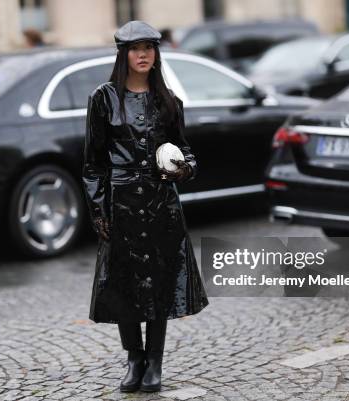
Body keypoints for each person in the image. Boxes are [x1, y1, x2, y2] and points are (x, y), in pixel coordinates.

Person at [81, 20, 209, 393]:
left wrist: (186, 169)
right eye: (135, 49)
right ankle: (133, 359)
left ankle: (154, 362)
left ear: (156, 54)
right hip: (120, 204)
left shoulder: (168, 101)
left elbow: (185, 152)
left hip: (161, 206)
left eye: (149, 48)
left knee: (159, 285)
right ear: (123, 54)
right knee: (124, 286)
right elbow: (93, 164)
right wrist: (99, 211)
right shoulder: (103, 99)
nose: (143, 55)